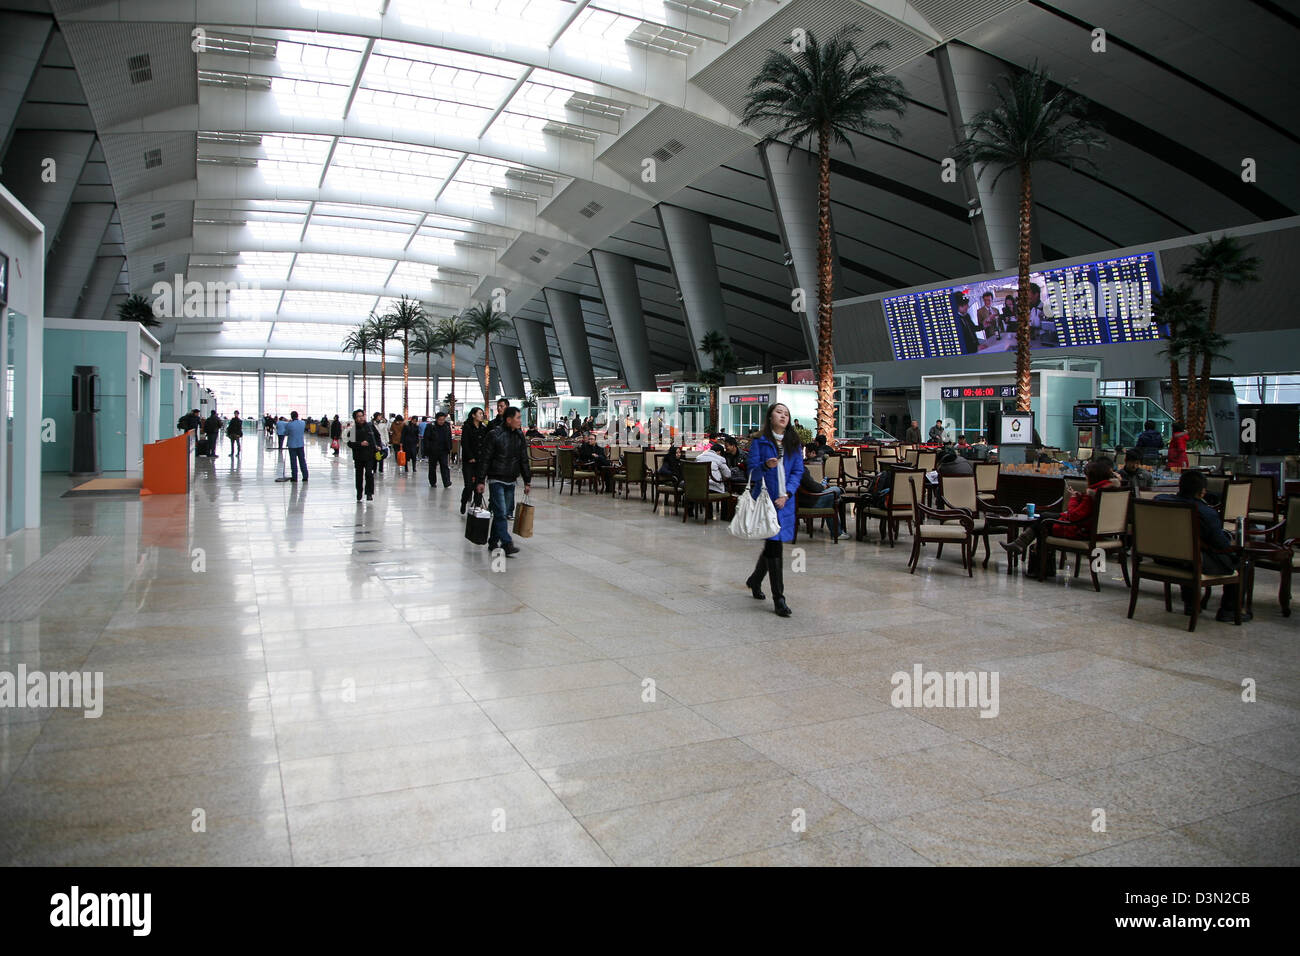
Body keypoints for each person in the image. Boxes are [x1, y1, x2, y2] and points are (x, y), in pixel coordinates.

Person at [1156, 469, 1248, 622]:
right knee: (1240, 562)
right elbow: (1221, 545)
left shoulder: (1160, 501)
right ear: (1202, 492)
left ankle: (1191, 604)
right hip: (1191, 561)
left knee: (1189, 553)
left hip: (1164, 558)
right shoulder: (1205, 512)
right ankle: (1229, 609)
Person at [743, 402, 804, 618]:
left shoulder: (794, 443)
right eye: (779, 412)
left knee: (773, 543)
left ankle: (755, 580)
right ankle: (779, 598)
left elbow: (798, 470)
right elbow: (751, 471)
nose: (783, 416)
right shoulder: (760, 441)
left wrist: (788, 493)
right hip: (765, 500)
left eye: (786, 413)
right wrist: (765, 466)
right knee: (774, 545)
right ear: (770, 417)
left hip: (784, 502)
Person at [1002, 459, 1119, 556]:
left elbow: (1073, 516)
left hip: (1080, 531)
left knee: (1044, 523)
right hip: (1096, 530)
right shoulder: (1110, 491)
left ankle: (1029, 553)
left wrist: (1073, 498)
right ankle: (1020, 544)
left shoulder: (1093, 495)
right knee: (1045, 516)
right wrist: (1081, 498)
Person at [475, 406, 532, 557]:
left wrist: (527, 481)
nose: (520, 421)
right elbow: (485, 459)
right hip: (496, 479)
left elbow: (523, 460)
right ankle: (507, 543)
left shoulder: (519, 435)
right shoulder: (494, 435)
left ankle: (493, 541)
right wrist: (480, 480)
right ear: (509, 419)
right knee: (500, 513)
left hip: (511, 480)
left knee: (503, 512)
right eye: (518, 418)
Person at [344, 409, 381, 501]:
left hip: (370, 456)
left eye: (362, 416)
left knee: (369, 474)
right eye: (359, 417)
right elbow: (350, 444)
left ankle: (369, 493)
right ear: (355, 419)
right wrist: (360, 444)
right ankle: (359, 492)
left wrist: (378, 445)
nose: (361, 418)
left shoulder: (370, 426)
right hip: (358, 456)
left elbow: (377, 437)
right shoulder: (353, 430)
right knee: (359, 475)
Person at [459, 406, 487, 514]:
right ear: (473, 415)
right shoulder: (467, 428)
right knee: (469, 485)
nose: (481, 415)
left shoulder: (483, 428)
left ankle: (477, 506)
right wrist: (470, 457)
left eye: (482, 414)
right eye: (479, 413)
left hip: (480, 461)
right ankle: (464, 501)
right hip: (469, 461)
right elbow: (465, 444)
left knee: (479, 485)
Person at [423, 411, 453, 488]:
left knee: (445, 466)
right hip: (433, 450)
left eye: (443, 419)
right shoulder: (430, 426)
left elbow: (449, 437)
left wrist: (449, 447)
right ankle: (433, 482)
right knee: (432, 467)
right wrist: (427, 449)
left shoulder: (447, 425)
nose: (441, 421)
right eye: (440, 420)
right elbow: (426, 438)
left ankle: (446, 482)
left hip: (444, 450)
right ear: (436, 419)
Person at [279, 411, 308, 482]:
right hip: (300, 444)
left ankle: (294, 477)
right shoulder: (302, 423)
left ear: (291, 416)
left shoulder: (289, 425)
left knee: (293, 461)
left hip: (292, 445)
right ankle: (305, 476)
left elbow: (286, 433)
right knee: (302, 461)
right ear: (297, 416)